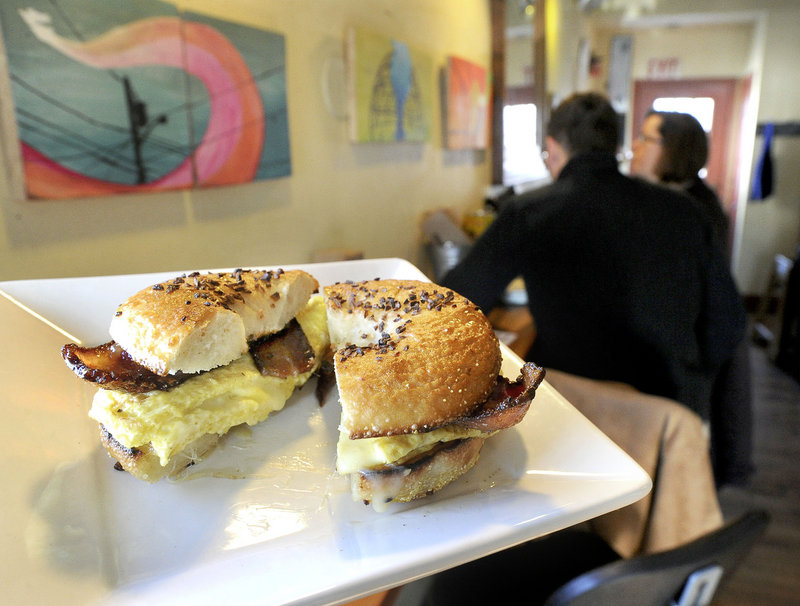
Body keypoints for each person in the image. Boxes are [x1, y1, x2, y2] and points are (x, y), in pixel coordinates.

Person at [442, 92, 746, 421]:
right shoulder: (687, 211)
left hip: (576, 412)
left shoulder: (530, 211)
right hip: (666, 410)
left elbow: (456, 303)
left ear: (554, 148)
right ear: (616, 148)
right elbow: (727, 324)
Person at [630, 110, 753, 486]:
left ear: (672, 151)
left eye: (646, 139)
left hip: (686, 357)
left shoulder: (689, 210)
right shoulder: (668, 199)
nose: (635, 146)